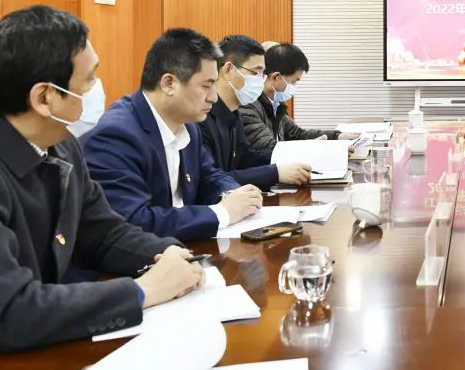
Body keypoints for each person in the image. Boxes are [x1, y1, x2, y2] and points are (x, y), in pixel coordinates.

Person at [0, 6, 203, 370]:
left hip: (37, 349)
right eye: (89, 79)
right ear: (44, 98)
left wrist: (168, 253)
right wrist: (142, 291)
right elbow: (9, 310)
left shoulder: (60, 143)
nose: (97, 90)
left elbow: (103, 232)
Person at [81, 28, 263, 241]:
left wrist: (234, 195)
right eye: (206, 86)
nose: (214, 98)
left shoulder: (188, 125)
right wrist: (222, 212)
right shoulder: (116, 135)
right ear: (169, 84)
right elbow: (134, 222)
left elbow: (209, 175)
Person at [198, 35, 311, 190]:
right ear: (229, 70)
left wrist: (294, 157)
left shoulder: (233, 113)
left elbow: (247, 157)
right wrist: (276, 173)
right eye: (255, 73)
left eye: (263, 74)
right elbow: (211, 179)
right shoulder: (201, 117)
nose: (261, 80)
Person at [239, 42, 356, 151]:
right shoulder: (247, 105)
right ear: (275, 77)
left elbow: (297, 134)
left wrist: (336, 136)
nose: (293, 87)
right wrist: (316, 148)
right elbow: (268, 148)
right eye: (293, 81)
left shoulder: (275, 104)